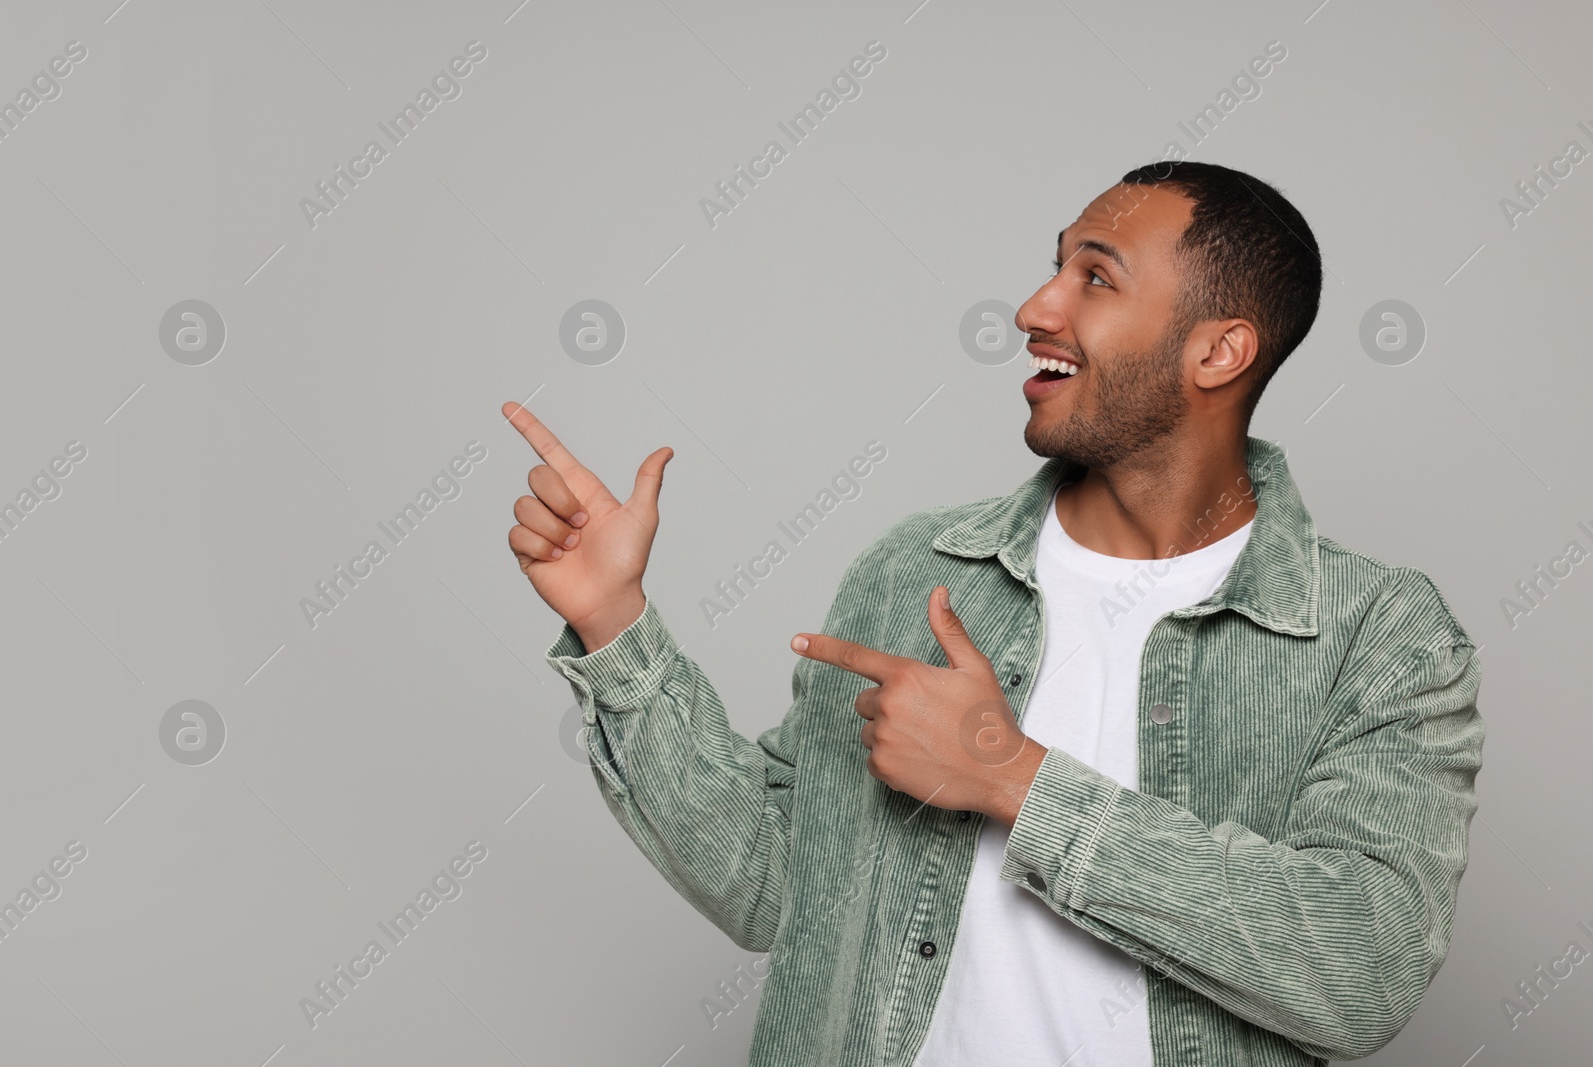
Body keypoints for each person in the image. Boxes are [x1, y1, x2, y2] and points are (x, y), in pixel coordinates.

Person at [502, 160, 1485, 1067]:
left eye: (1094, 279)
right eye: (1053, 266)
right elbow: (775, 884)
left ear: (1218, 350)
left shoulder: (1380, 637)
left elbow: (1361, 968)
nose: (1034, 307)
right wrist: (615, 625)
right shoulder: (918, 573)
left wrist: (1012, 776)